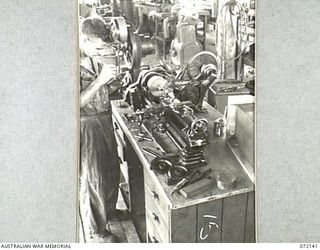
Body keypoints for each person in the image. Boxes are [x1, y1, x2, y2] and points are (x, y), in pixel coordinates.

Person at [79, 16, 124, 243]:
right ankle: (96, 230)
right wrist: (100, 81)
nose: (100, 53)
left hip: (104, 119)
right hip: (86, 126)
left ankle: (110, 211)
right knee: (93, 179)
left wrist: (114, 82)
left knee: (110, 169)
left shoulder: (93, 56)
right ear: (84, 40)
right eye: (97, 48)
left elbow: (102, 89)